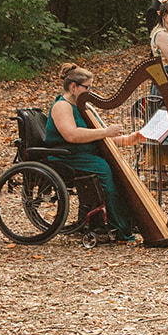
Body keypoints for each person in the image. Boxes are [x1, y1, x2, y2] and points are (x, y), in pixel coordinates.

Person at [45, 65, 139, 241]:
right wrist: (106, 132)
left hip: (85, 154)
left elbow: (101, 138)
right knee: (104, 168)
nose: (90, 91)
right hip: (66, 156)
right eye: (87, 87)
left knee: (117, 170)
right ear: (73, 87)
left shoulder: (85, 107)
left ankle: (119, 222)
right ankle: (114, 224)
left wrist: (129, 139)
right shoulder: (61, 106)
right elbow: (71, 135)